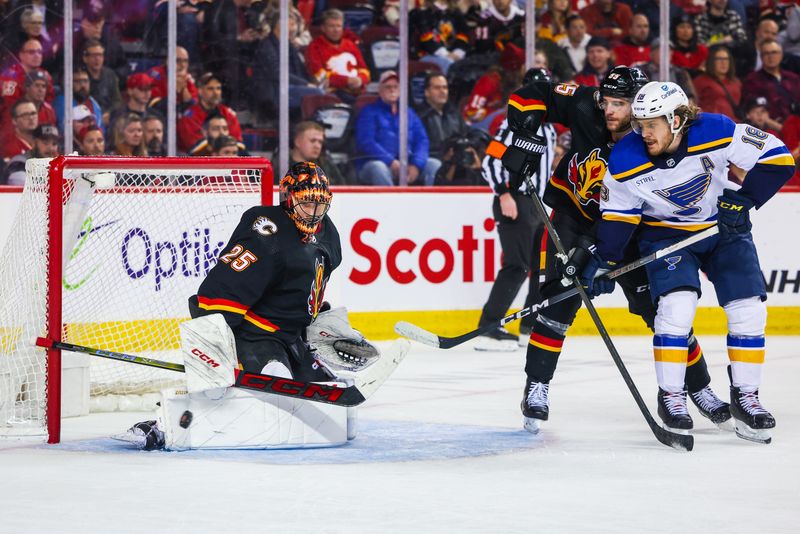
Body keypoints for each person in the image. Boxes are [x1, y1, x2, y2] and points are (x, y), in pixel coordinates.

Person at [502, 67, 729, 434]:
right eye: (607, 101)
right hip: (572, 220)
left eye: (620, 104)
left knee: (661, 313)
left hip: (627, 230)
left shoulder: (653, 137)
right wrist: (525, 135)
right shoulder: (584, 104)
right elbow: (531, 93)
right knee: (558, 302)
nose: (609, 110)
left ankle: (700, 388)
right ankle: (536, 387)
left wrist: (598, 258)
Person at [591, 81, 794, 443]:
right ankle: (671, 397)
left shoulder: (715, 130)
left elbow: (778, 157)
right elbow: (618, 217)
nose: (643, 131)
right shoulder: (624, 158)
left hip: (722, 229)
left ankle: (746, 397)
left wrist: (745, 200)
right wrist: (605, 260)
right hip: (667, 236)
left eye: (652, 123)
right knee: (676, 307)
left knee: (748, 309)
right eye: (640, 123)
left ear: (677, 119)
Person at [122, 162, 363, 450]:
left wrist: (320, 324)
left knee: (330, 391)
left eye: (319, 204)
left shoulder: (328, 234)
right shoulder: (265, 231)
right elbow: (219, 293)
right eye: (306, 202)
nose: (313, 212)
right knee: (275, 384)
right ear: (288, 198)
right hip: (255, 336)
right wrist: (217, 351)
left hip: (292, 338)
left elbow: (308, 284)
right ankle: (161, 426)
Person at [473, 68, 556, 351]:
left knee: (540, 268)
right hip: (516, 201)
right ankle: (489, 327)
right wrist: (504, 192)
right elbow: (491, 160)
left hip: (539, 206)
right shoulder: (512, 126)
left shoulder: (550, 128)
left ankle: (529, 326)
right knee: (516, 265)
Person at [354, 71, 438, 186]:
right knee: (379, 168)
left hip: (408, 163)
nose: (392, 90)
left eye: (395, 86)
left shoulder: (409, 113)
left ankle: (431, 203)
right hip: (377, 164)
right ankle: (390, 203)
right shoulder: (369, 112)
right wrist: (390, 161)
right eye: (388, 87)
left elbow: (422, 140)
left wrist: (416, 164)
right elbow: (366, 142)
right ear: (380, 90)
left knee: (434, 165)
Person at [305, 9, 371, 104]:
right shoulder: (314, 46)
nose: (336, 30)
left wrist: (360, 79)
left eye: (338, 26)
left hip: (357, 90)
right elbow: (319, 75)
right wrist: (346, 81)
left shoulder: (350, 45)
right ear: (323, 28)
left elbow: (364, 69)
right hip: (333, 92)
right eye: (331, 26)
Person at [462, 43, 526, 130]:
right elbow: (471, 113)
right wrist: (492, 111)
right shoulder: (490, 80)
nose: (524, 71)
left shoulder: (516, 83)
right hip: (480, 129)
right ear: (514, 67)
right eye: (522, 67)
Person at [177, 73, 243, 152]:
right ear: (200, 91)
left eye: (218, 88)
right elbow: (196, 148)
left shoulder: (227, 113)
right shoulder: (189, 117)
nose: (216, 93)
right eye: (210, 89)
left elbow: (237, 142)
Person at [742, 39, 800, 124]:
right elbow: (754, 112)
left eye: (774, 52)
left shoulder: (793, 78)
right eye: (766, 53)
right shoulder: (752, 80)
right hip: (770, 130)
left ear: (781, 55)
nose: (770, 56)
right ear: (761, 57)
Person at [417, 73, 469, 164]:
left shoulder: (454, 114)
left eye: (445, 88)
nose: (442, 91)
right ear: (427, 92)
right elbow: (418, 149)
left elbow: (467, 135)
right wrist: (443, 157)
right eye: (437, 88)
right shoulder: (419, 116)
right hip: (431, 162)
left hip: (456, 159)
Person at [410, 0, 470, 74]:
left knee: (468, 64)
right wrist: (446, 54)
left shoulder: (455, 12)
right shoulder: (423, 12)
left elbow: (464, 33)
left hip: (454, 54)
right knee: (449, 64)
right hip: (428, 54)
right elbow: (426, 37)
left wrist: (458, 52)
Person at [288, 121, 347, 185]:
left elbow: (342, 190)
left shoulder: (326, 165)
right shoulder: (281, 165)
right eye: (313, 141)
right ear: (297, 142)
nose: (317, 146)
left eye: (320, 142)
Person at [693, 44, 741, 121]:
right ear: (711, 61)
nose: (723, 63)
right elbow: (692, 104)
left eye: (726, 59)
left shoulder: (736, 82)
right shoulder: (700, 81)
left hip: (733, 125)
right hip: (711, 125)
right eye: (719, 59)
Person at [82, 39, 121, 126]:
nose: (97, 59)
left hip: (108, 117)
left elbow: (117, 101)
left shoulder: (110, 74)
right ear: (85, 58)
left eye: (100, 55)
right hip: (88, 117)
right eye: (94, 55)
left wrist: (109, 113)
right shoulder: (81, 76)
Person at [53, 68, 103, 134]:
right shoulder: (62, 102)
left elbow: (101, 129)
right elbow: (65, 130)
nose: (83, 85)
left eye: (85, 81)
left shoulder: (94, 103)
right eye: (77, 81)